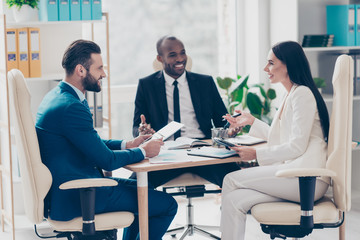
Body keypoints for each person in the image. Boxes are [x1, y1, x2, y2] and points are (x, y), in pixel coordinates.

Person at [36, 39, 177, 240]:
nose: (104, 74)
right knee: (166, 205)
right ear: (81, 70)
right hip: (79, 195)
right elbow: (107, 160)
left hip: (74, 189)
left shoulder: (58, 96)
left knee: (145, 191)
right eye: (99, 68)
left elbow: (89, 143)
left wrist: (128, 144)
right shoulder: (71, 107)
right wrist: (145, 151)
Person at [220, 41, 330, 240]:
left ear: (288, 65)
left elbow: (296, 146)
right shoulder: (292, 94)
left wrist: (256, 154)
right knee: (234, 200)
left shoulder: (302, 94)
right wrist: (251, 121)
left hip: (307, 179)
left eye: (271, 63)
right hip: (297, 177)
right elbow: (282, 137)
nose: (265, 69)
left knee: (230, 179)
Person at [131, 35, 240, 188]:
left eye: (183, 53)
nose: (180, 59)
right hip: (164, 154)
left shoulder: (205, 82)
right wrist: (142, 132)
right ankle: (159, 211)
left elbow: (222, 120)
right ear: (160, 58)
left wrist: (231, 128)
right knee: (133, 187)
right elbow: (137, 127)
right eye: (172, 55)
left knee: (238, 182)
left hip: (203, 151)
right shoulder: (146, 85)